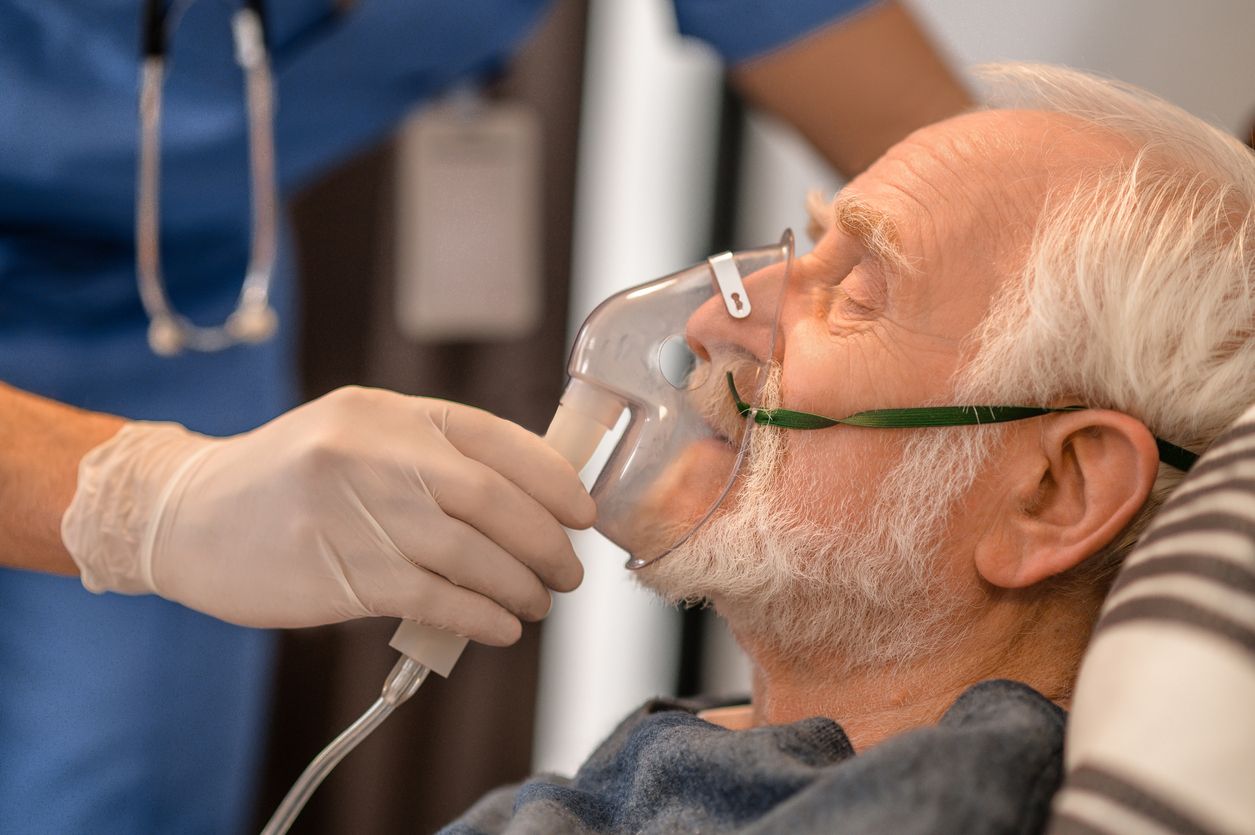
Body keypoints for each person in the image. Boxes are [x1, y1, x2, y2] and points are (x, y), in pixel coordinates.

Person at [0, 1, 971, 831]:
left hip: (181, 312)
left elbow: (986, 202)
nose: (723, 314)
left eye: (851, 293)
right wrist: (142, 501)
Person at [441, 62, 1255, 833]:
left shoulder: (957, 793)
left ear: (1053, 492)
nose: (710, 320)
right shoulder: (697, 756)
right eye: (808, 247)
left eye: (854, 294)